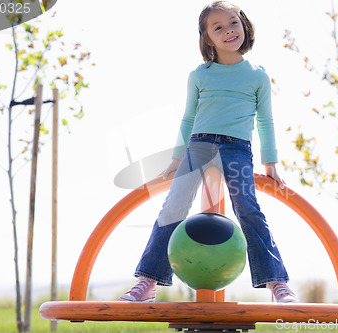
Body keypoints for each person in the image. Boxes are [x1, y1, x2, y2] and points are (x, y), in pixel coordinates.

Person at [118, 1, 298, 303]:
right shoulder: (200, 75)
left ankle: (276, 283)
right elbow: (188, 118)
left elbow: (265, 120)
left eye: (233, 23)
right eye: (218, 28)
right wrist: (177, 158)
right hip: (198, 146)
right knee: (173, 207)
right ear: (207, 38)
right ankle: (148, 281)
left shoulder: (257, 76)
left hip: (238, 149)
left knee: (249, 209)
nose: (229, 31)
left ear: (244, 26)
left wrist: (271, 163)